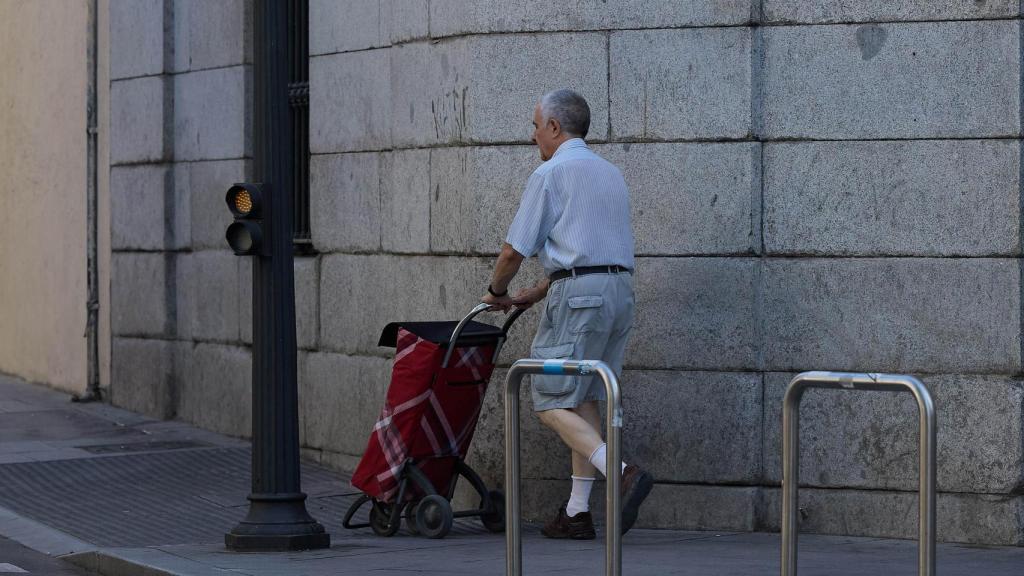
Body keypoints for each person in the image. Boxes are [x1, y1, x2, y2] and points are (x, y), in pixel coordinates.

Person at [481, 88, 652, 539]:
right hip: (618, 292)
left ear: (554, 128)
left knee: (550, 398)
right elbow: (593, 251)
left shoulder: (551, 173)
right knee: (583, 396)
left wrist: (496, 290)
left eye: (536, 126)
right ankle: (577, 513)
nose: (534, 135)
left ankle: (619, 471)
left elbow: (513, 250)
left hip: (580, 297)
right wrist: (539, 292)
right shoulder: (610, 172)